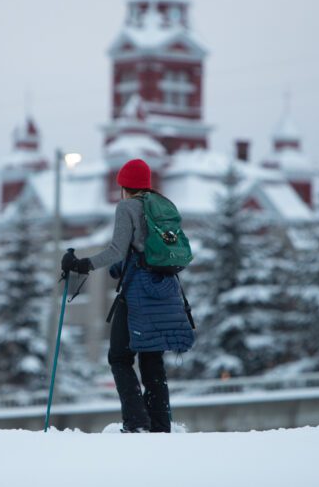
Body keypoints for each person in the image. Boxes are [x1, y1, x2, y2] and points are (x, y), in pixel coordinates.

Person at [61, 159, 195, 433]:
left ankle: (136, 423)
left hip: (139, 294)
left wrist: (81, 265)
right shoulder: (161, 205)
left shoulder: (127, 206)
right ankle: (160, 425)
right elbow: (146, 250)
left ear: (124, 186)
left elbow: (116, 249)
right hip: (166, 289)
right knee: (152, 359)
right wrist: (120, 268)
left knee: (119, 357)